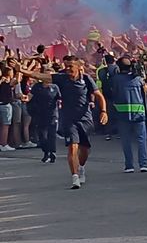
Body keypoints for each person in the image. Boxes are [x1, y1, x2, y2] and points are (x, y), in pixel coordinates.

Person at [26, 57, 108, 189]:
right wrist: (23, 70)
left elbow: (99, 96)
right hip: (69, 120)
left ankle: (81, 168)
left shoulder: (86, 79)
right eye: (66, 66)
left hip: (85, 118)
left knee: (84, 149)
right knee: (72, 147)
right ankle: (74, 177)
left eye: (70, 66)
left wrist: (103, 111)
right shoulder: (62, 78)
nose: (68, 69)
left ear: (78, 67)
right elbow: (40, 76)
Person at [109, 56, 147, 172]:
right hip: (138, 112)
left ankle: (129, 165)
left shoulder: (115, 79)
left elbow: (111, 92)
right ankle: (144, 164)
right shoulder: (138, 79)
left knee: (126, 140)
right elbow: (145, 93)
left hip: (122, 113)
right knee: (141, 139)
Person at [28, 74, 60, 162]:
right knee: (42, 135)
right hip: (40, 114)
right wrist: (25, 98)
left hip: (52, 114)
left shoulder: (55, 87)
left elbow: (59, 98)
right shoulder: (37, 87)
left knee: (52, 134)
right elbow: (29, 96)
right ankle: (46, 151)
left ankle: (53, 152)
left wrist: (60, 102)